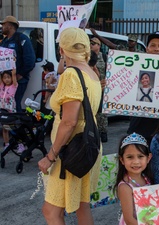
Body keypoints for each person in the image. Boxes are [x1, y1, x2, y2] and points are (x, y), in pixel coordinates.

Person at [37, 27, 102, 225]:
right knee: (82, 207)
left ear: (62, 50)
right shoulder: (92, 73)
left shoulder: (71, 75)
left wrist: (50, 156)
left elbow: (69, 121)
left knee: (51, 210)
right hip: (88, 144)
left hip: (71, 148)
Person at [127, 31, 159, 144]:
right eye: (153, 45)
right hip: (138, 128)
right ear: (147, 49)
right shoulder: (133, 69)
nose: (156, 49)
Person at [114, 132, 152, 225]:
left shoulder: (147, 178)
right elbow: (129, 219)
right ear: (122, 160)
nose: (136, 162)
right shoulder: (125, 187)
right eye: (130, 157)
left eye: (140, 156)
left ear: (148, 158)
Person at [0, 16, 36, 112]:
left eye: (4, 25)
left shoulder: (22, 39)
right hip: (5, 80)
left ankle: (18, 124)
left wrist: (20, 75)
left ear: (10, 26)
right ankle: (7, 124)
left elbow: (30, 60)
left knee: (14, 103)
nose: (2, 27)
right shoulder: (4, 41)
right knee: (5, 103)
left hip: (18, 79)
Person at [90, 37, 108, 142]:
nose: (91, 45)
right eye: (90, 43)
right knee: (93, 110)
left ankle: (103, 132)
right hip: (92, 87)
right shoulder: (87, 57)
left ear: (99, 45)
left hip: (103, 88)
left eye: (93, 43)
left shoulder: (104, 57)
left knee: (103, 112)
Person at [0, 68, 18, 151]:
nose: (6, 79)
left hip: (11, 111)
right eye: (4, 77)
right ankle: (7, 144)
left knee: (13, 127)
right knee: (4, 128)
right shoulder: (2, 86)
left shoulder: (13, 86)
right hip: (3, 110)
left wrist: (13, 70)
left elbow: (14, 74)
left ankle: (19, 143)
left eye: (8, 77)